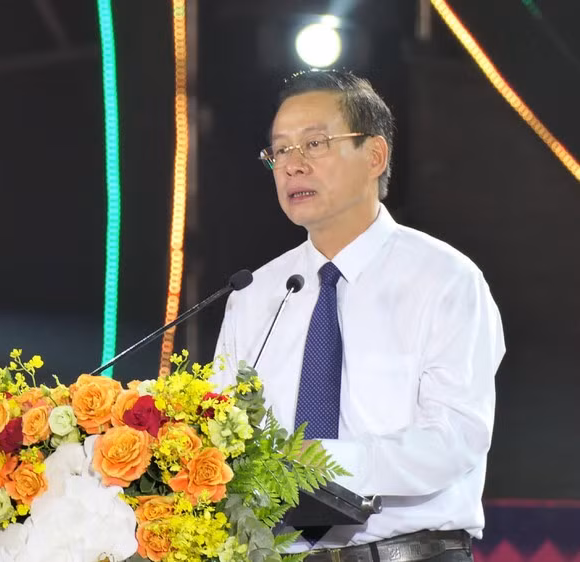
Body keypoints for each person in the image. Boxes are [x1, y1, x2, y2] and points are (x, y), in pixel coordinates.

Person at [212, 69, 505, 561]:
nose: (292, 165)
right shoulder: (254, 293)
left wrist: (319, 462)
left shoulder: (445, 280)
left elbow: (455, 439)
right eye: (280, 151)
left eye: (314, 144)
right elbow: (221, 431)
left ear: (375, 156)